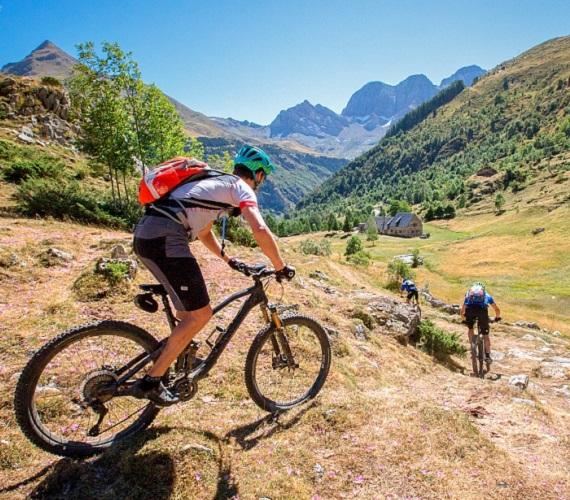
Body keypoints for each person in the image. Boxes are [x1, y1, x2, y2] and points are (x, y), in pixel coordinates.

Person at [131, 145, 295, 405]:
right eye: (263, 177)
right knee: (201, 315)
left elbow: (204, 231)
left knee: (188, 316)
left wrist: (229, 260)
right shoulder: (240, 187)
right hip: (165, 238)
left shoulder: (215, 183)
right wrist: (280, 266)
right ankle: (152, 381)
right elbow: (260, 228)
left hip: (147, 234)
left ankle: (177, 358)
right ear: (259, 175)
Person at [460, 282, 501, 365]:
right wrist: (497, 317)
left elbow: (462, 310)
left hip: (470, 312)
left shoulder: (468, 294)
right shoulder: (487, 295)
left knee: (470, 328)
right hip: (482, 313)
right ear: (483, 289)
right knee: (485, 335)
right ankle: (487, 356)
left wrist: (464, 319)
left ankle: (472, 347)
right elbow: (496, 309)